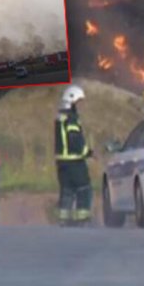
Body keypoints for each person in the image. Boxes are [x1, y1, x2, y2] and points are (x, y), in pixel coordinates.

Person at [54, 85, 93, 226]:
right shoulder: (71, 119)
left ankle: (64, 219)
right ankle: (82, 218)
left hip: (61, 163)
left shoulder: (60, 118)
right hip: (74, 161)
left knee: (67, 190)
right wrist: (86, 152)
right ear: (71, 101)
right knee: (84, 188)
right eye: (78, 102)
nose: (79, 106)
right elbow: (74, 139)